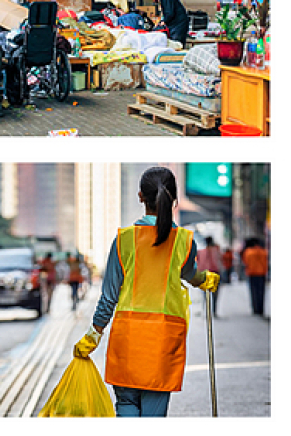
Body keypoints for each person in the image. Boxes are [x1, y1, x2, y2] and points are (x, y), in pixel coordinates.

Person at [73, 166, 219, 417]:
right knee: (154, 412)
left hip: (128, 337)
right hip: (163, 338)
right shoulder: (184, 241)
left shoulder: (124, 239)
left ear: (140, 196)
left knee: (126, 404)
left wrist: (93, 335)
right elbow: (188, 275)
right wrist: (204, 279)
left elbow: (109, 297)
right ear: (174, 198)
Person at [241, 237, 268, 316]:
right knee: (261, 292)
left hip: (252, 273)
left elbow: (245, 262)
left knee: (254, 292)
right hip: (262, 273)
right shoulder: (263, 251)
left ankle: (255, 308)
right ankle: (261, 308)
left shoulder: (248, 252)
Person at [197, 236, 223, 317]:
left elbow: (198, 263)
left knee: (206, 294)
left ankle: (208, 311)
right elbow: (220, 260)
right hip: (215, 272)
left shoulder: (201, 251)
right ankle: (214, 311)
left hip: (204, 273)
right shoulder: (216, 250)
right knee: (215, 294)